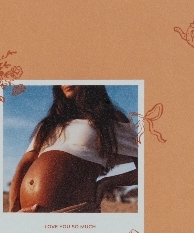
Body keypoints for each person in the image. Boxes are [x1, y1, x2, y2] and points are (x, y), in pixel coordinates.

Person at [8, 85, 138, 213]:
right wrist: (13, 210)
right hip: (28, 215)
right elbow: (24, 164)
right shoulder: (50, 123)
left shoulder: (109, 118)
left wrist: (106, 183)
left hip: (74, 210)